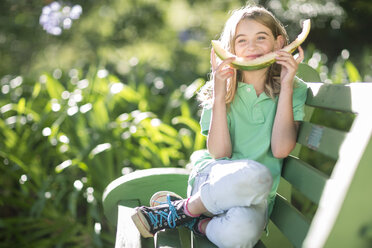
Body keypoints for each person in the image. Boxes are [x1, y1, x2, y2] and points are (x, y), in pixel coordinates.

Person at [131, 4, 308, 248]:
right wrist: (219, 95)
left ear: (279, 43)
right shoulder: (221, 89)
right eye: (242, 40)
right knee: (257, 173)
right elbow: (220, 153)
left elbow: (280, 150)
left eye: (261, 38)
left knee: (242, 233)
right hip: (212, 181)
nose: (252, 46)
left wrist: (286, 86)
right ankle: (190, 207)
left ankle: (191, 219)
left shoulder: (295, 89)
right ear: (231, 49)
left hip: (255, 196)